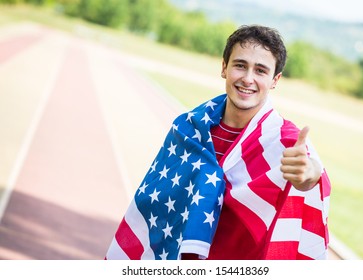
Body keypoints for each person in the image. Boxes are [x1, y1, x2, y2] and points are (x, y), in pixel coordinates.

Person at [105, 24, 331, 260]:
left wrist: (308, 174)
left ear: (275, 80)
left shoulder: (284, 141)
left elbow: (312, 173)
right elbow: (153, 200)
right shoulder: (188, 128)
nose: (248, 78)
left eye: (261, 70)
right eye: (240, 65)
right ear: (224, 67)